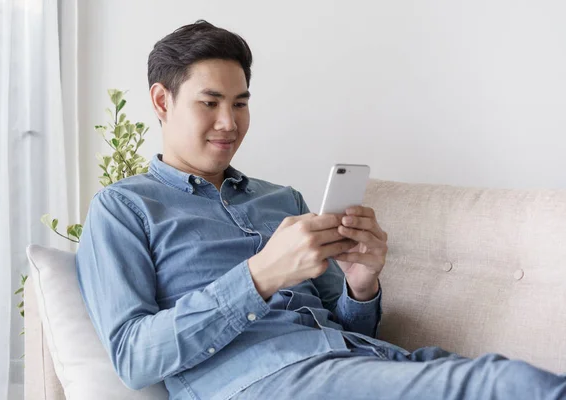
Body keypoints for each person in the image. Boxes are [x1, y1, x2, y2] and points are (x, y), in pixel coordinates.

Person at [75, 20, 566, 400]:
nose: (229, 122)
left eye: (241, 103)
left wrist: (361, 284)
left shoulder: (281, 200)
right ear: (162, 101)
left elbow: (342, 325)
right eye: (210, 102)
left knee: (513, 377)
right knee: (507, 384)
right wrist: (259, 275)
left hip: (356, 361)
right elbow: (135, 356)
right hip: (257, 381)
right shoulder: (124, 209)